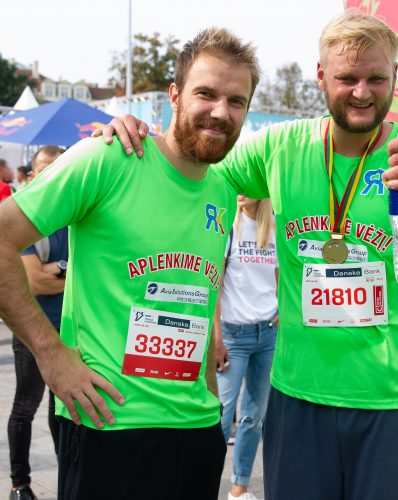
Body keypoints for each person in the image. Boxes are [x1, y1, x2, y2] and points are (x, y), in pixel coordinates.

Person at [96, 10, 398, 500]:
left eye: (376, 78)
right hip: (299, 399)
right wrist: (139, 136)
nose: (361, 92)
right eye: (347, 78)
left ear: (395, 78)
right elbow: (193, 167)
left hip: (394, 401)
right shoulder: (281, 147)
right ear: (322, 76)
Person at [0, 27, 260, 500]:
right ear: (175, 96)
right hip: (110, 423)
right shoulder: (108, 159)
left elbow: (196, 293)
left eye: (236, 100)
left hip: (199, 427)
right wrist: (50, 352)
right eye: (206, 93)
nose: (221, 111)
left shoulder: (223, 191)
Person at [8, 146, 67, 500]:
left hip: (70, 330)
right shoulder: (25, 220)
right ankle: (19, 483)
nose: (50, 175)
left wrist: (56, 268)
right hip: (32, 331)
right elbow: (35, 282)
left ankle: (67, 477)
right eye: (44, 169)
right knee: (24, 407)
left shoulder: (72, 216)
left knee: (61, 409)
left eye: (58, 169)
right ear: (31, 174)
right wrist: (68, 268)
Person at [214, 196, 278, 500]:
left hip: (268, 333)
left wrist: (284, 311)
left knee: (254, 416)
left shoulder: (275, 226)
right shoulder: (228, 227)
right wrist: (216, 337)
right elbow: (214, 284)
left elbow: (282, 278)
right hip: (233, 335)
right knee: (221, 415)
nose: (240, 190)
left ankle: (239, 489)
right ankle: (205, 482)